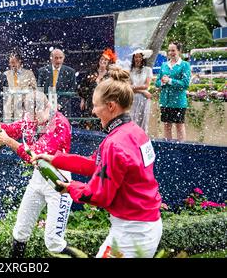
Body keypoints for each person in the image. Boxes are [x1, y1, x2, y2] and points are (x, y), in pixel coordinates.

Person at [33, 68, 162, 258]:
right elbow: (96, 164)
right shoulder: (135, 132)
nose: (92, 111)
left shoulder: (114, 143)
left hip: (131, 234)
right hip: (145, 225)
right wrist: (55, 159)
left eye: (95, 105)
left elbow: (100, 196)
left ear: (111, 106)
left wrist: (69, 188)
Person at [0, 91, 79, 258]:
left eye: (34, 113)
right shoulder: (31, 117)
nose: (31, 119)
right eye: (28, 113)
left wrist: (7, 141)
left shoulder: (60, 123)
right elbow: (10, 130)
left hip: (58, 181)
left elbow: (34, 156)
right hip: (38, 178)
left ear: (48, 107)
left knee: (53, 242)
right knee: (20, 231)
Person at [155, 42, 191, 141]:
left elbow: (185, 84)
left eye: (173, 50)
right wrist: (162, 81)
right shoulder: (164, 65)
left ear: (179, 51)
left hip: (179, 102)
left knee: (179, 126)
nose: (171, 52)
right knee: (167, 126)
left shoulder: (184, 65)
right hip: (165, 101)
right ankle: (168, 148)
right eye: (169, 50)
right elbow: (157, 83)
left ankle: (182, 149)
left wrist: (170, 81)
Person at [77, 48, 117, 130]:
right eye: (102, 59)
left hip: (104, 104)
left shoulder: (110, 75)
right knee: (88, 124)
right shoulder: (91, 72)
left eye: (105, 60)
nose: (103, 61)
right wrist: (82, 99)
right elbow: (83, 86)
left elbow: (113, 90)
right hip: (90, 103)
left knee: (101, 124)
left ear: (108, 63)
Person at [37, 49, 76, 118]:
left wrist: (60, 103)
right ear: (51, 58)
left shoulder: (70, 72)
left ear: (64, 58)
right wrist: (47, 103)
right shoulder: (42, 71)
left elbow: (72, 90)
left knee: (62, 127)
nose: (58, 61)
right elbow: (39, 89)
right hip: (45, 108)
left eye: (60, 58)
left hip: (63, 108)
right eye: (56, 58)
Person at [3, 50, 37, 122]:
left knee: (22, 125)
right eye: (10, 63)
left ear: (19, 61)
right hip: (9, 107)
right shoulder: (6, 74)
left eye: (14, 62)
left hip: (24, 106)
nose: (12, 65)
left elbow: (34, 89)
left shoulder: (29, 73)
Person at [129, 49, 154, 133]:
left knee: (143, 120)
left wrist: (135, 88)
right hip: (134, 98)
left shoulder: (147, 70)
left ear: (142, 58)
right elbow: (128, 87)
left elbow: (146, 85)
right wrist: (143, 91)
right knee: (133, 119)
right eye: (136, 57)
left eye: (139, 57)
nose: (137, 59)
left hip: (144, 99)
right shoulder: (130, 71)